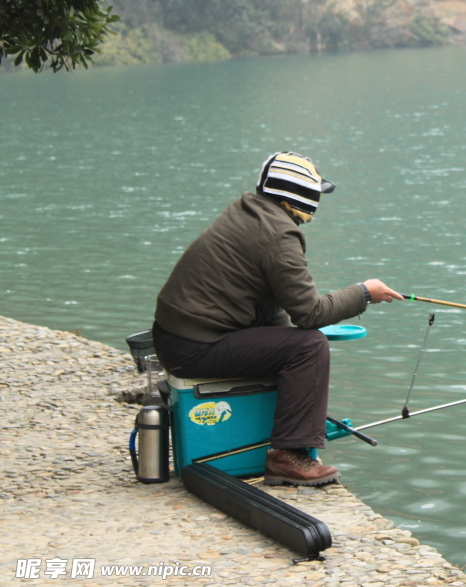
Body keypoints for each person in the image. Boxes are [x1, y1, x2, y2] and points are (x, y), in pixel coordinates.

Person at [152, 151, 402, 486]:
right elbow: (310, 313)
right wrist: (365, 292)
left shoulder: (250, 212)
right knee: (309, 346)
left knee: (295, 344)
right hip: (195, 347)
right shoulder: (280, 236)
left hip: (177, 337)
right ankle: (288, 458)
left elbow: (276, 306)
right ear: (301, 196)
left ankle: (292, 438)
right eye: (316, 193)